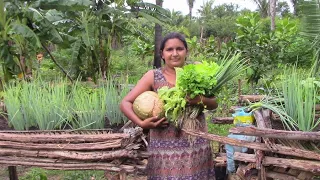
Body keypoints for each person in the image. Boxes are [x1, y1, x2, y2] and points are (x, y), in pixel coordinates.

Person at [120, 32, 218, 180]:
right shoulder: (153, 76)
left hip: (195, 145)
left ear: (186, 51)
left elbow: (214, 104)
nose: (175, 54)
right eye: (169, 50)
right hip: (163, 148)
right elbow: (125, 103)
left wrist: (200, 99)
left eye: (179, 49)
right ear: (162, 54)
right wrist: (141, 123)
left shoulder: (197, 73)